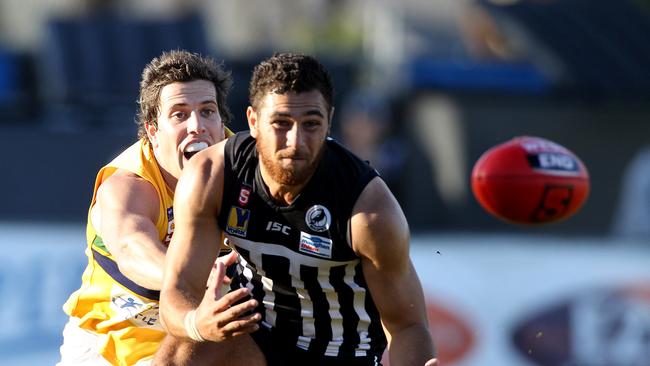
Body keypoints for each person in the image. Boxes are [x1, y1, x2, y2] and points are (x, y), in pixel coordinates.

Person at [159, 52, 438, 366]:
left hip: (342, 354)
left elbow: (408, 325)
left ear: (329, 122)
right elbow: (176, 294)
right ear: (253, 121)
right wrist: (198, 324)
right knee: (179, 352)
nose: (296, 141)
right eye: (281, 123)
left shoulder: (369, 210)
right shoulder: (212, 176)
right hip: (258, 338)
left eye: (311, 124)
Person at [58, 50, 243, 365]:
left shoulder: (242, 165)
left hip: (195, 332)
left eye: (207, 111)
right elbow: (132, 251)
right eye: (179, 114)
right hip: (113, 341)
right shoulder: (128, 185)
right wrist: (192, 274)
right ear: (153, 131)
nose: (197, 126)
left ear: (221, 121)